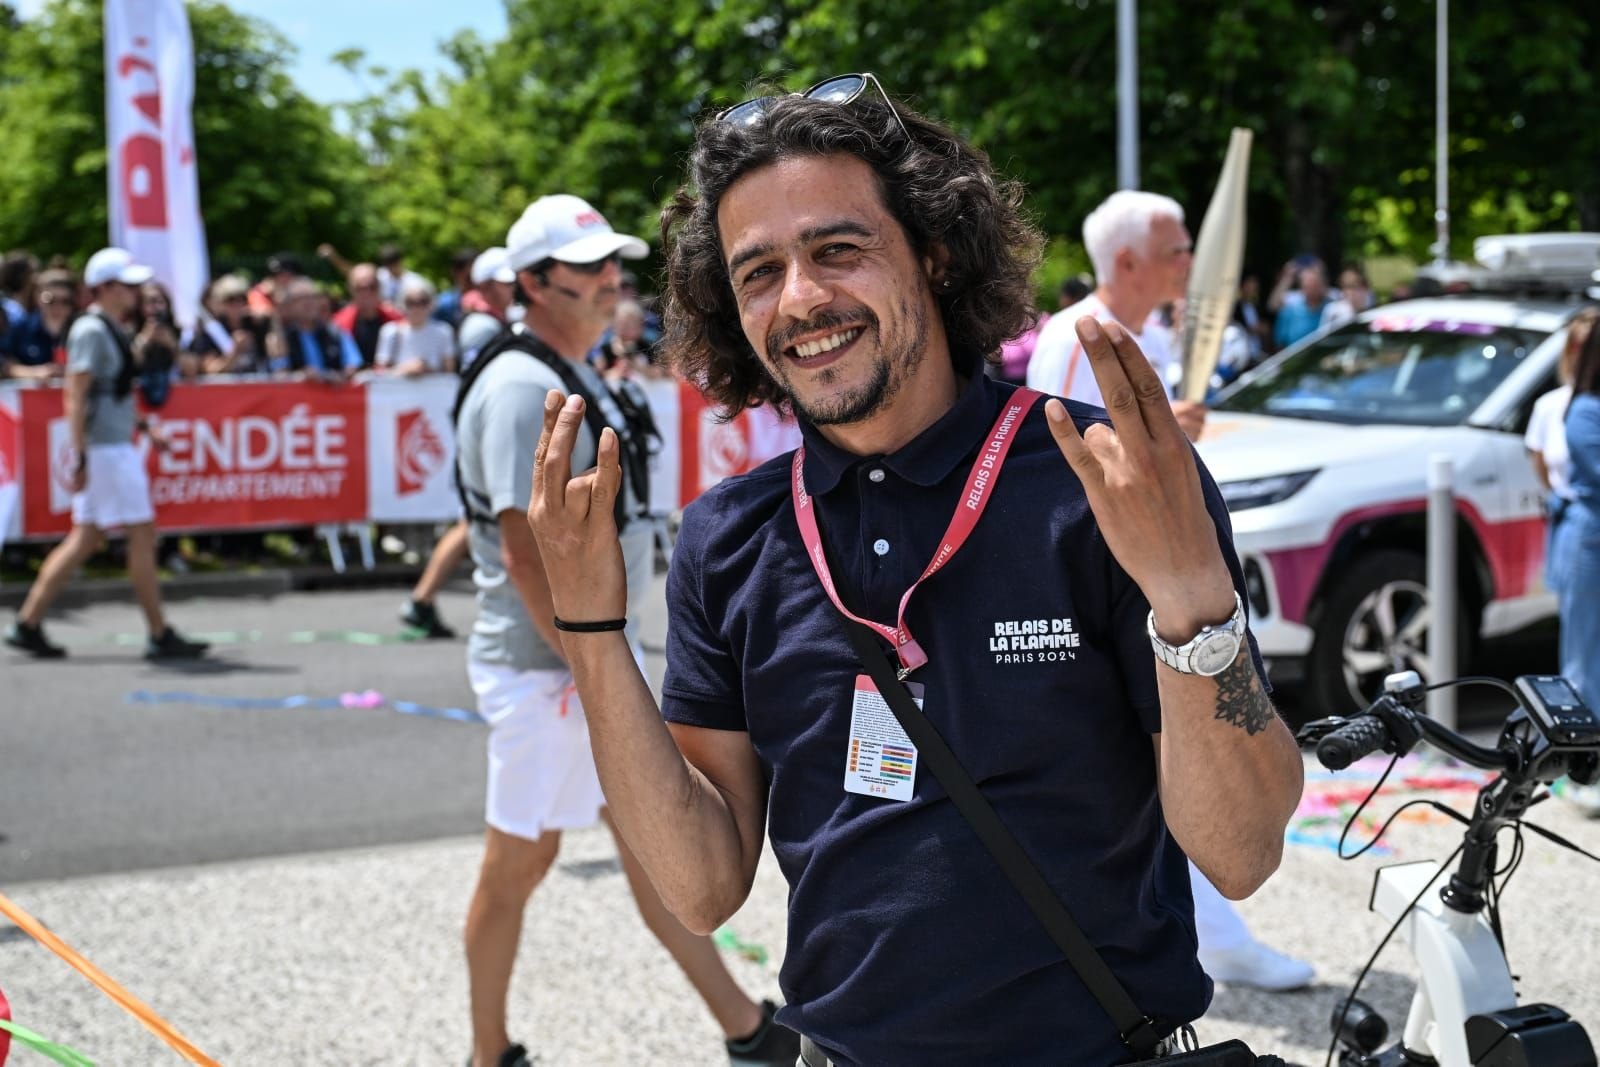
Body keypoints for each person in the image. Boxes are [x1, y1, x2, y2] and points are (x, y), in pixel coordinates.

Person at [525, 82, 1303, 1063]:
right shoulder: (728, 536)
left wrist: (1192, 596)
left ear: (934, 250)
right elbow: (702, 882)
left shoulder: (1102, 484)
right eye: (757, 271)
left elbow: (1240, 851)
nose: (800, 298)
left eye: (836, 249)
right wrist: (593, 632)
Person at [454, 193, 799, 1067]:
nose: (613, 279)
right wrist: (592, 667)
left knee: (654, 844)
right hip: (550, 672)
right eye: (590, 267)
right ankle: (486, 1052)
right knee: (518, 866)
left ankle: (745, 1027)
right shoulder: (522, 385)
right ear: (533, 282)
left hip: (573, 662)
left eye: (613, 262)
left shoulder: (565, 368)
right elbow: (526, 552)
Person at [4, 248, 209, 661]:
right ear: (106, 288)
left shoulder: (105, 328)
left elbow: (105, 394)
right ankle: (158, 630)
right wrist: (79, 453)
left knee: (87, 538)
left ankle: (28, 622)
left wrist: (143, 426)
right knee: (139, 534)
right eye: (127, 284)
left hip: (109, 447)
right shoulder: (93, 332)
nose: (135, 292)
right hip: (106, 451)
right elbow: (75, 395)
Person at [1028, 191, 1206, 440]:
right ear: (1128, 263)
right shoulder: (1071, 338)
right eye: (1176, 252)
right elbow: (1051, 447)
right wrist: (1161, 428)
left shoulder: (1154, 334)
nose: (1189, 261)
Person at [265, 279, 363, 379]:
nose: (308, 303)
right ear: (290, 306)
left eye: (312, 298)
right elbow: (278, 375)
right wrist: (302, 376)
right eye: (301, 299)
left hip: (335, 392)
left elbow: (353, 366)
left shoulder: (336, 333)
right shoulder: (280, 338)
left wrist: (335, 376)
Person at [182, 274, 263, 376]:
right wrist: (235, 352)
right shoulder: (209, 332)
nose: (237, 304)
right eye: (231, 300)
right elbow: (211, 370)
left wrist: (272, 319)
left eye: (242, 299)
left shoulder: (255, 325)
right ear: (220, 303)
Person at [374, 277, 456, 376]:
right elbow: (379, 373)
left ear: (431, 303)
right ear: (402, 303)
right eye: (411, 302)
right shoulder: (390, 331)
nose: (416, 308)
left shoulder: (444, 331)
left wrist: (426, 370)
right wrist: (404, 369)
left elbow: (449, 373)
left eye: (422, 302)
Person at [1, 267, 74, 379]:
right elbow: (4, 361)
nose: (57, 307)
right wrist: (34, 373)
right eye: (50, 300)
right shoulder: (21, 329)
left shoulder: (81, 330)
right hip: (32, 395)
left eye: (65, 301)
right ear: (38, 298)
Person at [456, 246, 518, 370]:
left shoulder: (503, 318)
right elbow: (471, 372)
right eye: (508, 283)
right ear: (486, 288)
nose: (515, 288)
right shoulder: (481, 326)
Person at [331, 263, 402, 367]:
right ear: (350, 290)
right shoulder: (337, 324)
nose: (366, 292)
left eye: (372, 287)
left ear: (379, 288)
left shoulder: (397, 320)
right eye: (360, 288)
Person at [1269, 260, 1334, 349]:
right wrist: (1288, 277)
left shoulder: (1332, 307)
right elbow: (1272, 305)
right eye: (1306, 285)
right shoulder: (1291, 307)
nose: (1310, 288)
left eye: (1314, 284)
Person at [434, 247, 478, 327]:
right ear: (454, 273)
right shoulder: (442, 305)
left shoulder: (491, 301)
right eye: (469, 278)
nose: (475, 281)